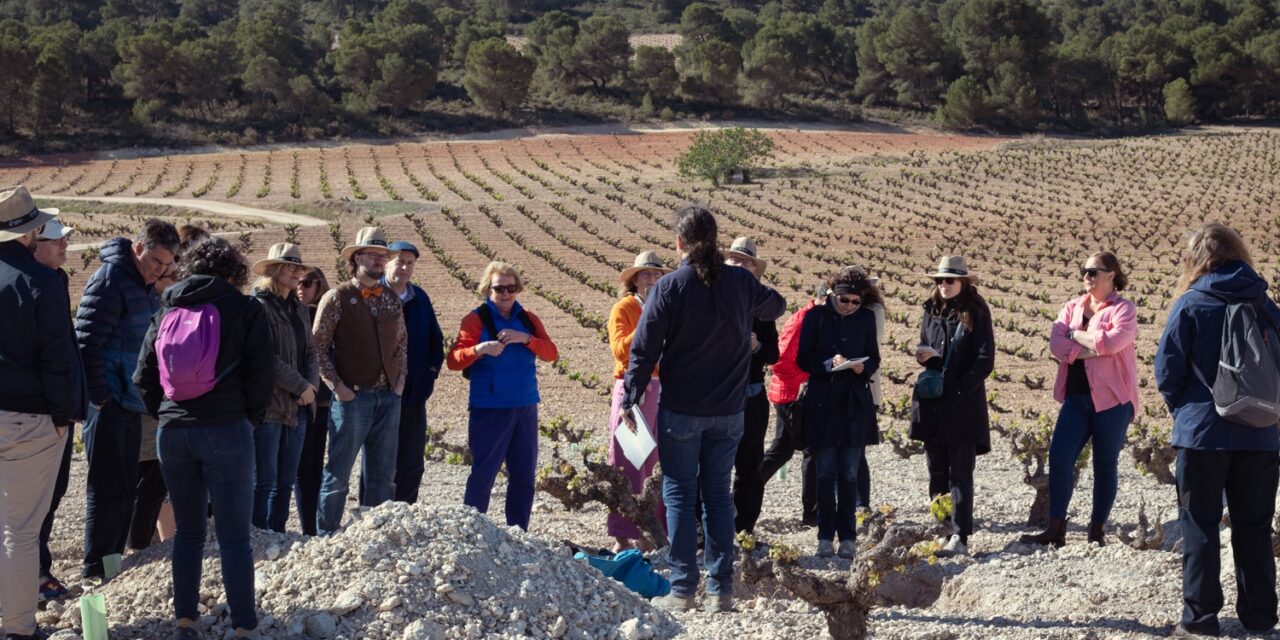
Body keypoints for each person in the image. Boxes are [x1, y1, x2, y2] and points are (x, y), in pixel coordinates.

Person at [622, 205, 786, 613]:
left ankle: (682, 590)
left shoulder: (669, 287)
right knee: (717, 495)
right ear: (716, 241)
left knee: (679, 494)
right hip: (730, 411)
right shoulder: (740, 282)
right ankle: (720, 590)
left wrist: (630, 397)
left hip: (682, 409)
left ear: (679, 243)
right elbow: (778, 306)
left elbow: (643, 350)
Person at [134, 236, 274, 640]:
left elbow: (142, 378)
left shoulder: (167, 309)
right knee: (234, 536)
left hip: (173, 433)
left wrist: (167, 414)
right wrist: (246, 418)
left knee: (189, 532)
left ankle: (185, 621)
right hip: (227, 429)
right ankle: (245, 626)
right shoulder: (245, 309)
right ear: (234, 274)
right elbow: (261, 376)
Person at [1156, 224, 1280, 638]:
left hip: (1202, 434)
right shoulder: (1265, 302)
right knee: (1255, 527)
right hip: (1261, 434)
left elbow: (1167, 370)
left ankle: (1200, 621)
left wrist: (1188, 413)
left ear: (1196, 259)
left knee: (1200, 525)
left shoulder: (1191, 302)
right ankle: (1261, 620)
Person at [75, 217, 178, 583]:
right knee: (106, 491)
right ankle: (93, 571)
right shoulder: (110, 280)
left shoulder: (144, 285)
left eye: (167, 266)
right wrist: (100, 397)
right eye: (155, 262)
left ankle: (112, 568)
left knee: (124, 492)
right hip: (108, 404)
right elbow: (86, 342)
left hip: (129, 403)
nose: (160, 271)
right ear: (138, 248)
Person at [1022, 252, 1138, 548]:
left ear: (1111, 274)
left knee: (1105, 464)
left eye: (1093, 271)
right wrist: (1091, 345)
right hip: (1076, 398)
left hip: (1112, 401)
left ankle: (1096, 532)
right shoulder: (1072, 307)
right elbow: (1056, 345)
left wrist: (1076, 336)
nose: (1086, 275)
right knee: (1059, 458)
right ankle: (1056, 529)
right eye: (1083, 270)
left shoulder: (1123, 309)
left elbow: (1114, 343)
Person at [0, 186, 76, 640]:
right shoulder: (43, 283)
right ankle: (18, 628)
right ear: (31, 234)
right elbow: (56, 358)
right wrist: (63, 417)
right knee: (21, 531)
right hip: (30, 419)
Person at [447, 262, 558, 530]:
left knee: (523, 475)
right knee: (484, 473)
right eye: (499, 288)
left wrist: (526, 339)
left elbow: (551, 354)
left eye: (511, 288)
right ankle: (473, 531)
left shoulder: (528, 319)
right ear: (488, 289)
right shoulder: (475, 319)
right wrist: (480, 349)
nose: (506, 294)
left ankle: (518, 532)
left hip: (525, 407)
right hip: (490, 408)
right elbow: (453, 360)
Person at [312, 228, 408, 536]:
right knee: (338, 474)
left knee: (383, 476)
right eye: (373, 255)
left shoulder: (392, 298)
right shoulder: (337, 297)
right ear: (356, 259)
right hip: (353, 399)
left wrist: (399, 383)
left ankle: (374, 536)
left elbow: (402, 344)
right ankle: (327, 536)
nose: (380, 261)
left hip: (388, 398)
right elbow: (316, 348)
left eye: (383, 256)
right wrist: (337, 387)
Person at [909, 256, 994, 558]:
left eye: (950, 280)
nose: (943, 286)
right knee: (935, 470)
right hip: (933, 402)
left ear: (963, 282)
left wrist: (960, 388)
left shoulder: (977, 311)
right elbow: (925, 345)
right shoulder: (930, 310)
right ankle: (941, 529)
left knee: (960, 473)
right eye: (939, 281)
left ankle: (960, 535)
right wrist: (923, 356)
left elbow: (985, 359)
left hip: (963, 404)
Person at [795, 267, 880, 558]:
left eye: (856, 302)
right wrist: (829, 362)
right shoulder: (815, 317)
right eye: (845, 300)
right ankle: (823, 535)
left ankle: (848, 537)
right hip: (823, 404)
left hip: (854, 403)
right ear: (833, 295)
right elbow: (803, 358)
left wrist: (862, 366)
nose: (850, 306)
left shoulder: (866, 318)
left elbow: (875, 358)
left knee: (849, 472)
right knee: (825, 472)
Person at [33, 218, 88, 602]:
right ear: (34, 244)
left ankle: (38, 567)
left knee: (53, 495)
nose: (64, 246)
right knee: (33, 501)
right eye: (56, 241)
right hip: (40, 413)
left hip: (57, 411)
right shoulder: (32, 285)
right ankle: (32, 576)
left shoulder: (55, 280)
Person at [251, 244, 320, 533]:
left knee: (285, 482)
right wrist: (302, 385)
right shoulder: (258, 307)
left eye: (299, 268)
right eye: (291, 267)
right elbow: (265, 358)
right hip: (269, 406)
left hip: (298, 407)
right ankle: (257, 536)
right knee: (264, 480)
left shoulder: (300, 310)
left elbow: (311, 351)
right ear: (274, 271)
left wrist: (311, 387)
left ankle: (278, 536)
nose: (297, 273)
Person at [606, 251, 672, 551]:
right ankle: (625, 535)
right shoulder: (624, 308)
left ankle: (653, 532)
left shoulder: (668, 309)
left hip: (663, 389)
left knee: (656, 463)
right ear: (633, 280)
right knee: (628, 460)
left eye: (657, 275)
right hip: (634, 388)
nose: (652, 279)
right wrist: (647, 321)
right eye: (645, 274)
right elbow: (621, 350)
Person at [722, 237, 779, 534]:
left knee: (749, 468)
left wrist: (757, 347)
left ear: (754, 270)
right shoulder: (712, 300)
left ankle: (744, 530)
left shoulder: (762, 307)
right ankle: (711, 531)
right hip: (717, 399)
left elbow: (774, 353)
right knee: (713, 468)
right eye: (735, 260)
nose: (740, 265)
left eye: (746, 261)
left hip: (752, 397)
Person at [384, 241, 444, 504]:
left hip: (415, 392)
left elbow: (435, 340)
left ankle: (406, 513)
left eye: (410, 263)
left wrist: (430, 374)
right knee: (380, 461)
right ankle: (373, 517)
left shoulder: (420, 297)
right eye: (400, 261)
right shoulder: (373, 296)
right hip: (380, 392)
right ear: (386, 262)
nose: (405, 267)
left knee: (411, 461)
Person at [128, 263, 178, 551]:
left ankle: (164, 543)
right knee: (148, 479)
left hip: (160, 405)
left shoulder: (166, 307)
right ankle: (139, 546)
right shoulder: (151, 308)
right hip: (147, 406)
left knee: (160, 481)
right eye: (171, 276)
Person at [294, 268, 331, 536]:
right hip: (299, 400)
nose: (301, 287)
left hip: (324, 402)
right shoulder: (292, 314)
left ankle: (313, 527)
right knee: (303, 469)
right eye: (298, 282)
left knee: (313, 468)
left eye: (307, 283)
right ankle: (309, 528)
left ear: (319, 285)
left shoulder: (324, 314)